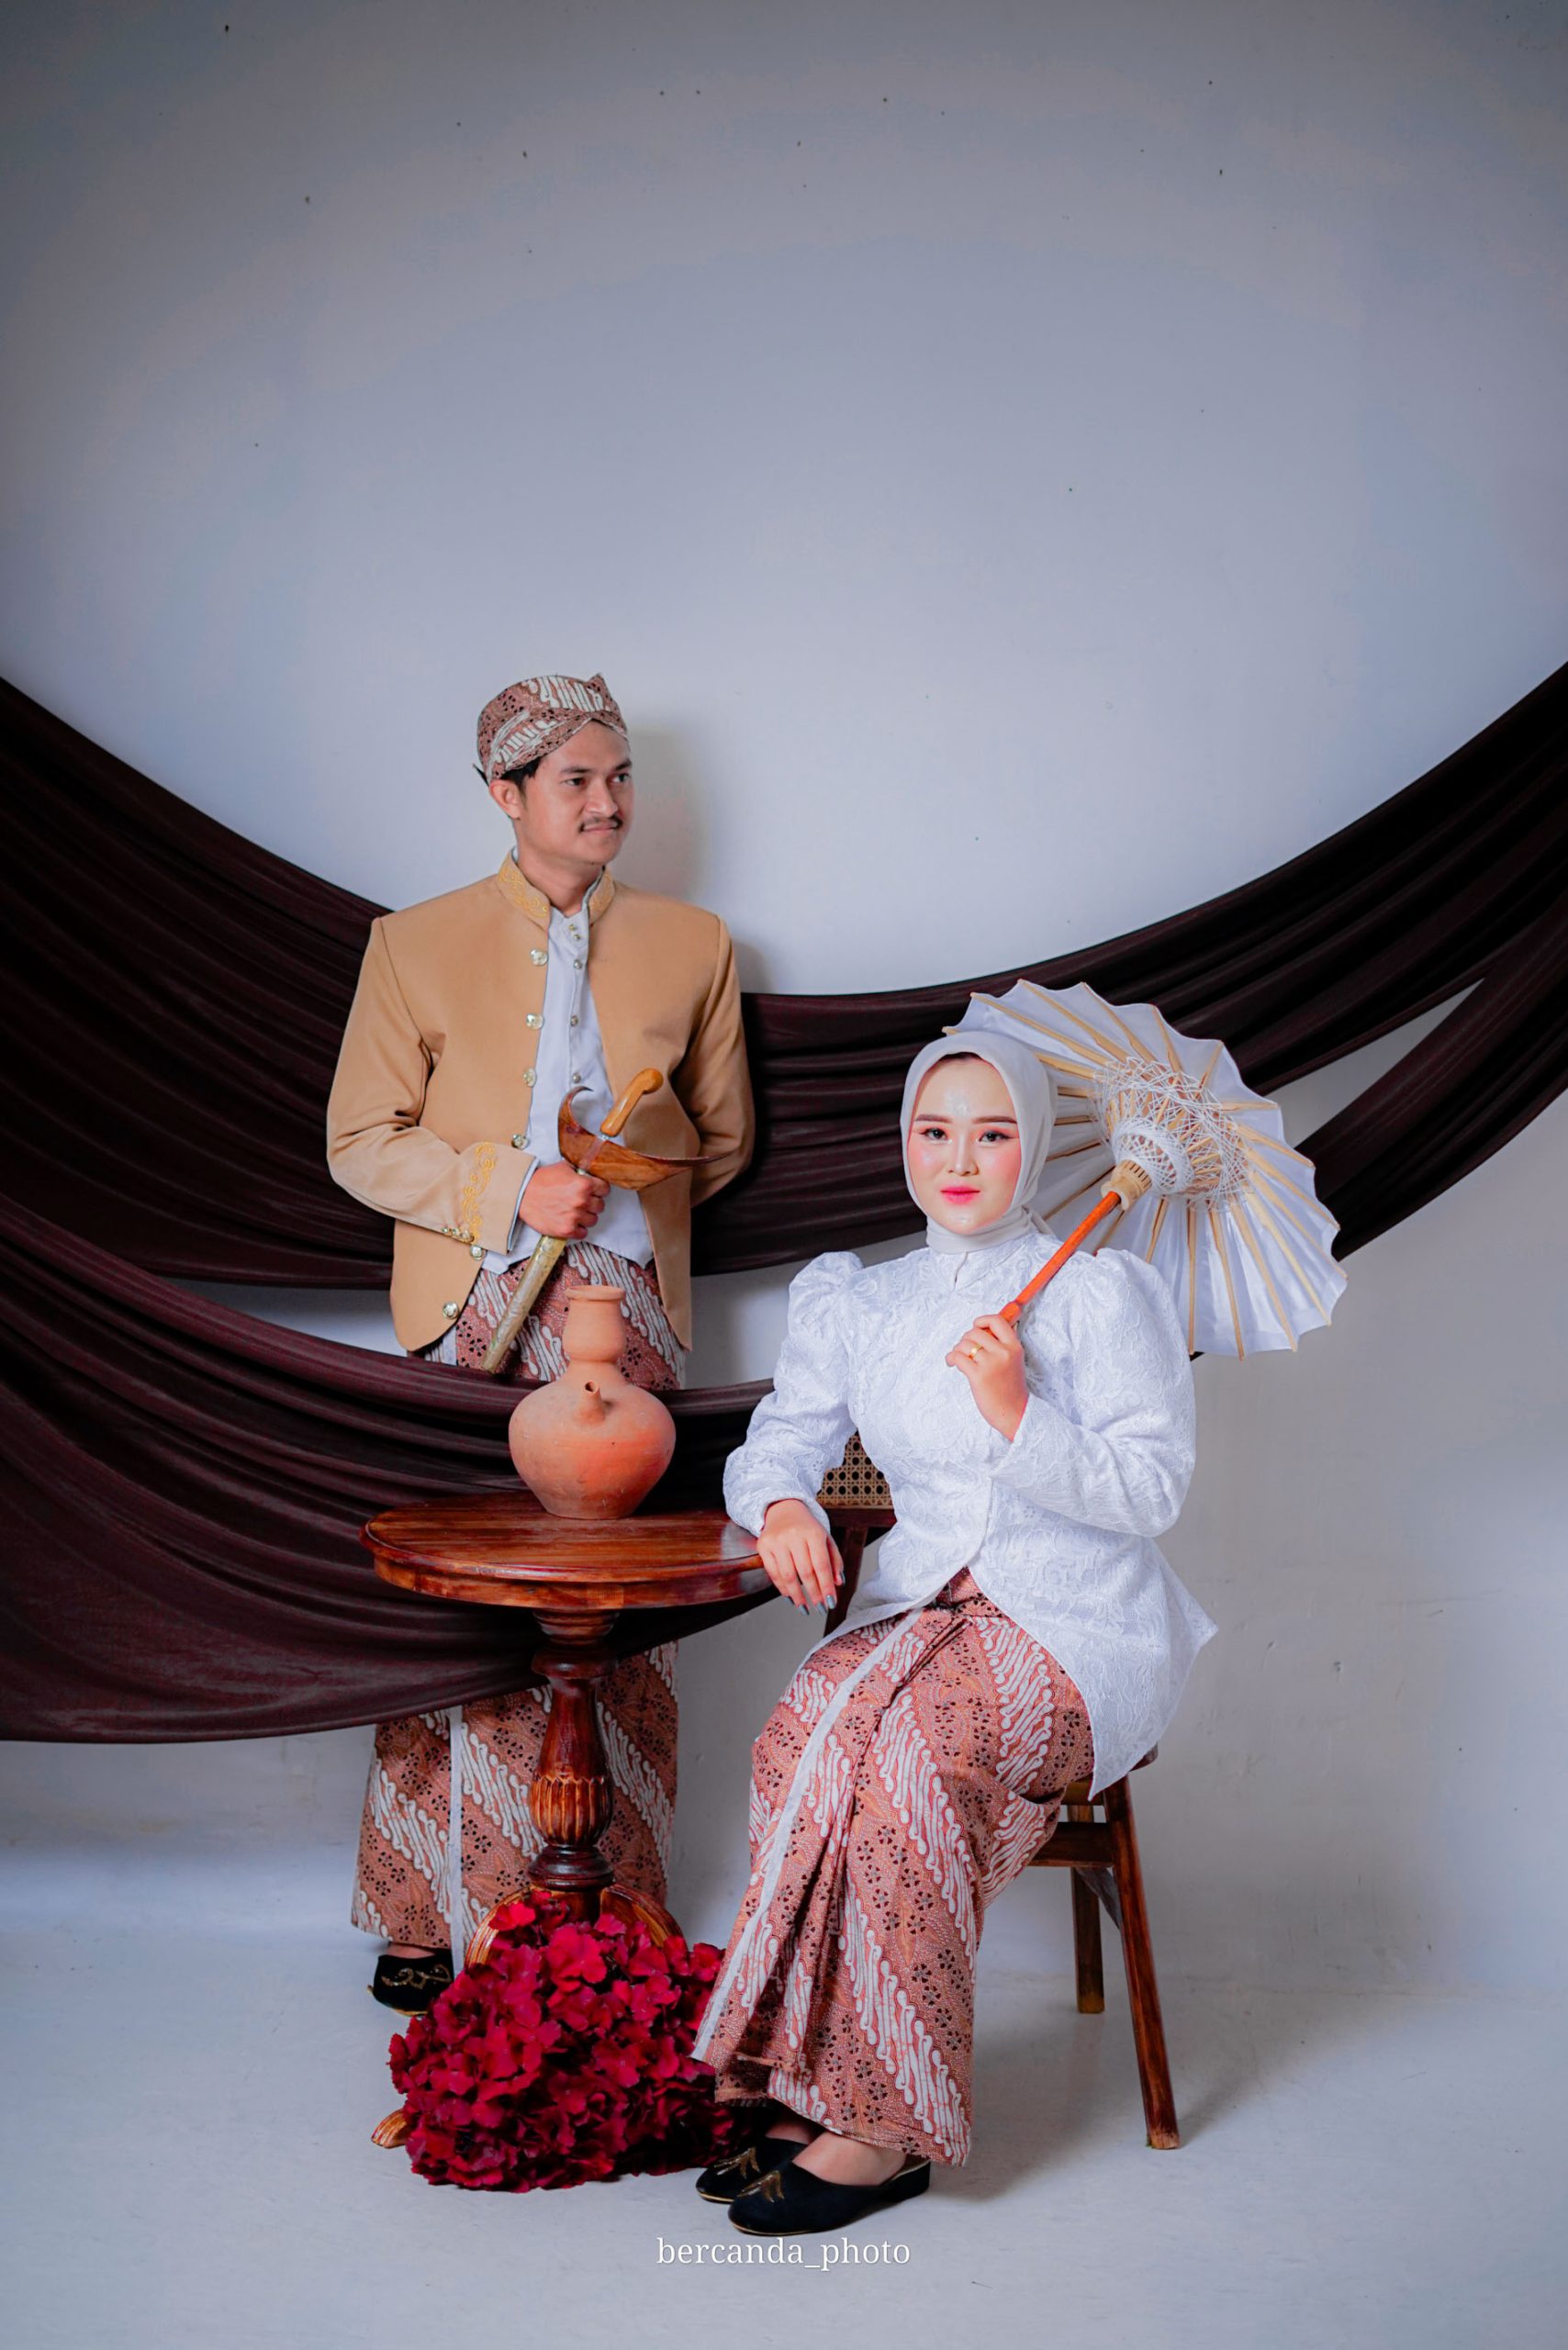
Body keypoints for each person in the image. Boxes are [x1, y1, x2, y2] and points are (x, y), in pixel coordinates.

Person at [689, 1030, 1215, 2236]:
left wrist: (1018, 1411)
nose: (960, 1161)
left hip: (1077, 1627)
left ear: (1035, 1149)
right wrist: (781, 1506)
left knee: (912, 1757)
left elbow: (1152, 1493)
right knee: (797, 1738)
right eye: (935, 1132)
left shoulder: (1098, 1292)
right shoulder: (863, 1301)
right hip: (917, 1610)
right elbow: (781, 1441)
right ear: (905, 1145)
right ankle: (801, 2074)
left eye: (993, 1133)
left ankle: (885, 2124)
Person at [326, 671, 754, 2010]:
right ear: (505, 794)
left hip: (626, 1327)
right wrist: (512, 1186)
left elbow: (721, 1140)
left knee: (618, 1612)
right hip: (468, 1316)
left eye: (620, 777)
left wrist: (625, 1175)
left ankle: (611, 1906)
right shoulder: (412, 944)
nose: (608, 802)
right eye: (576, 779)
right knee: (461, 1606)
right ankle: (424, 1912)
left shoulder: (696, 944)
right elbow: (360, 1142)